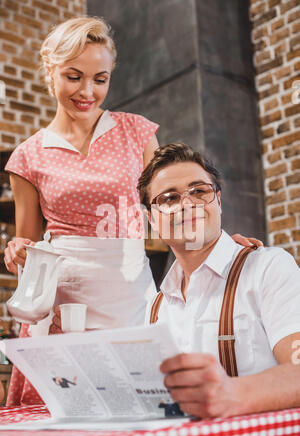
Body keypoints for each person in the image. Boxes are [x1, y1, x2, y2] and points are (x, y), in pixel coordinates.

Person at [3, 17, 258, 406]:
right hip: (60, 305)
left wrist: (218, 243)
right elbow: (27, 241)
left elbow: (171, 203)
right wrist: (17, 250)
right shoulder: (28, 156)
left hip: (129, 295)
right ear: (49, 69)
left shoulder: (135, 132)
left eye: (100, 79)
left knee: (138, 401)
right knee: (66, 413)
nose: (88, 91)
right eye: (74, 76)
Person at [137, 142, 300, 419]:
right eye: (169, 198)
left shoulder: (268, 268)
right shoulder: (155, 306)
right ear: (152, 219)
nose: (187, 205)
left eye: (199, 191)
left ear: (219, 202)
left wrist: (234, 394)